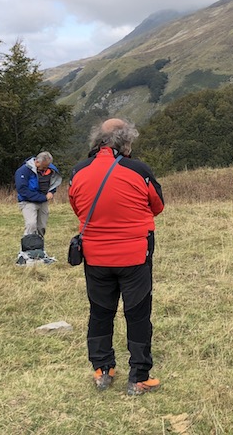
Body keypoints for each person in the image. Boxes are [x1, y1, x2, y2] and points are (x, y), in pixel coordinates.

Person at [69, 118, 164, 395]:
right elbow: (157, 205)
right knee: (137, 315)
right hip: (134, 256)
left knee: (99, 312)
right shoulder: (139, 170)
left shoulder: (78, 171)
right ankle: (138, 377)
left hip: (96, 256)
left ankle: (102, 370)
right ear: (125, 142)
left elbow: (77, 207)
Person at [14, 151, 62, 264]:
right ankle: (25, 253)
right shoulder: (23, 171)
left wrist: (51, 192)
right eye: (43, 167)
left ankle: (39, 251)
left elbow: (54, 181)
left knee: (41, 226)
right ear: (36, 162)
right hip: (28, 201)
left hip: (43, 200)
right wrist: (43, 198)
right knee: (31, 225)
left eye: (47, 167)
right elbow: (22, 190)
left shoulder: (51, 169)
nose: (45, 170)